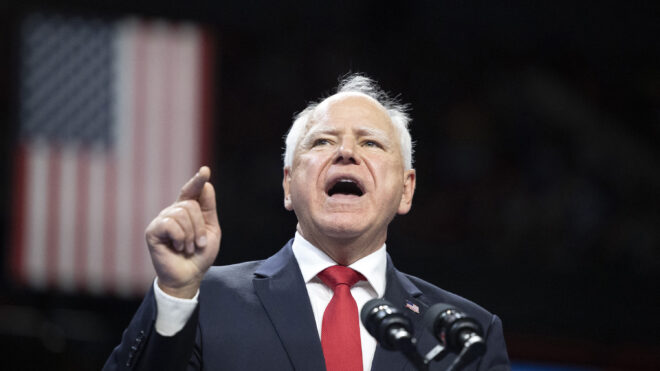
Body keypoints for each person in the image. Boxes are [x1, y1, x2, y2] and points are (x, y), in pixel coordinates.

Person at [103, 74, 510, 370]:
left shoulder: (466, 335)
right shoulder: (205, 300)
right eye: (323, 142)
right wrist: (175, 294)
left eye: (370, 142)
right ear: (287, 184)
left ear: (406, 190)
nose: (346, 153)